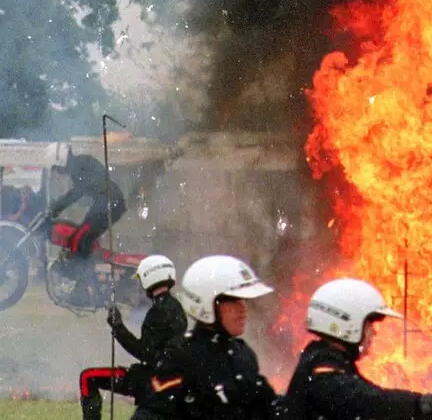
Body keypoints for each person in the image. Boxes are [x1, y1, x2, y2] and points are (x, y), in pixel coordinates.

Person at [280, 278, 432, 420]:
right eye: (370, 326)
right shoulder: (323, 372)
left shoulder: (326, 360)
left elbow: (370, 396)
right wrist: (422, 406)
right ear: (347, 325)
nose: (373, 334)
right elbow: (369, 404)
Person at [131, 256, 276, 420]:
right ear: (207, 304)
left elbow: (270, 409)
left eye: (243, 300)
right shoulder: (182, 357)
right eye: (234, 301)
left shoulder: (243, 354)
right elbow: (151, 414)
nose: (243, 309)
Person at [80, 256, 188, 420]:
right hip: (170, 377)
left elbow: (143, 351)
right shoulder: (176, 307)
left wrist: (118, 327)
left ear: (148, 278)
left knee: (87, 378)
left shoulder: (158, 312)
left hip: (151, 379)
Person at [48, 153, 128, 306]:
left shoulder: (79, 166)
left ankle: (83, 289)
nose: (58, 171)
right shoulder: (80, 164)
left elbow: (76, 193)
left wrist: (56, 208)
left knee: (80, 239)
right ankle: (87, 284)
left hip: (109, 202)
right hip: (107, 201)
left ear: (61, 161)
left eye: (57, 167)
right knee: (82, 237)